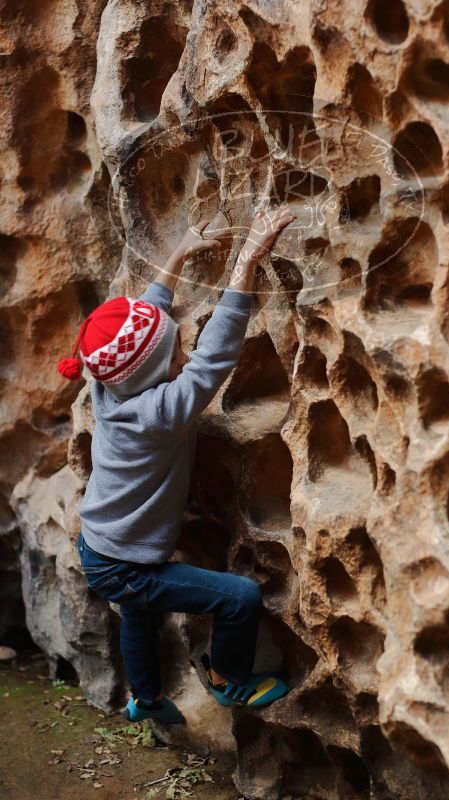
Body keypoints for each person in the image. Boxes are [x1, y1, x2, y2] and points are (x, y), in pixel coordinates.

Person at [57, 207, 297, 724]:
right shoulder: (156, 414)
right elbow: (214, 358)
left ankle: (144, 700)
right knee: (240, 597)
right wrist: (249, 259)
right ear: (149, 378)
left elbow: (143, 317)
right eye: (174, 354)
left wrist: (180, 251)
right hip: (124, 564)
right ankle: (228, 679)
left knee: (138, 620)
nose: (183, 351)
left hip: (99, 547)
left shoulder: (107, 382)